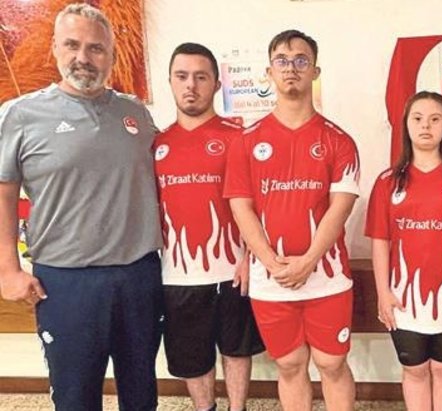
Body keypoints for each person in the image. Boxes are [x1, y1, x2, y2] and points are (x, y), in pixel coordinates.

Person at [0, 3, 163, 410]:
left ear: (111, 55)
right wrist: (7, 270)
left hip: (139, 276)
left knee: (142, 396)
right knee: (75, 398)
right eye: (72, 45)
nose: (83, 58)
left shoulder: (136, 113)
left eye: (95, 48)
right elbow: (3, 193)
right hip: (66, 281)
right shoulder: (19, 116)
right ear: (55, 48)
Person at [224, 29, 360, 410]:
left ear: (315, 71)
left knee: (332, 363)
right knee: (289, 364)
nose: (291, 68)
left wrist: (310, 260)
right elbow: (241, 207)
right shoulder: (246, 140)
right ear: (269, 73)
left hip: (327, 277)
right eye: (282, 61)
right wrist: (270, 262)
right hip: (272, 280)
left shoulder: (340, 141)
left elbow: (341, 207)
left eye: (301, 60)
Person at [154, 42, 265, 411]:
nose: (191, 85)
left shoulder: (239, 138)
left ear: (217, 84)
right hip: (177, 275)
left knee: (236, 350)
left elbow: (257, 204)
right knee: (193, 357)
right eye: (182, 76)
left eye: (201, 77)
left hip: (233, 270)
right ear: (171, 82)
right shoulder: (156, 144)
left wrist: (250, 257)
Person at [365, 91, 442, 411]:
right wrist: (383, 292)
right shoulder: (387, 182)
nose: (425, 126)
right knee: (415, 371)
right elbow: (380, 241)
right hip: (404, 297)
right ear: (406, 125)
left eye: (435, 119)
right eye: (418, 119)